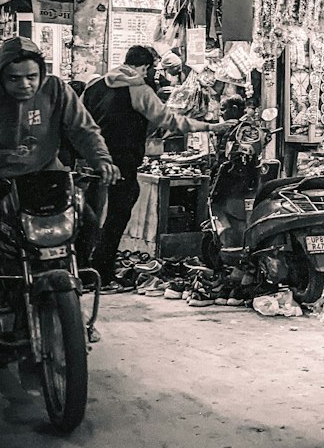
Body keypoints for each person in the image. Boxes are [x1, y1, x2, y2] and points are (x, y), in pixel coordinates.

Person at [0, 36, 119, 341]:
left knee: (86, 224)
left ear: (41, 74)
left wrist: (102, 160)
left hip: (45, 178)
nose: (25, 85)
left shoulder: (56, 90)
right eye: (14, 78)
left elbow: (83, 129)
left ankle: (72, 294)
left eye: (31, 77)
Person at [81, 45, 233, 287]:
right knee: (117, 214)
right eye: (150, 69)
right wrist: (210, 127)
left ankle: (81, 267)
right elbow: (168, 119)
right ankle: (102, 270)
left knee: (90, 213)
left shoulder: (95, 85)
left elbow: (79, 122)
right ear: (143, 67)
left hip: (91, 159)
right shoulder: (137, 88)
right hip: (122, 160)